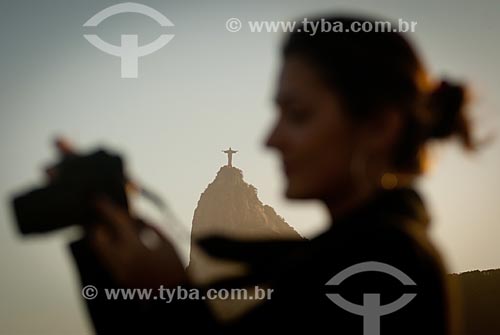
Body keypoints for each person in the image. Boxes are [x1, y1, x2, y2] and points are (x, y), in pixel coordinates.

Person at [68, 15, 475, 334]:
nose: (270, 139)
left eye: (298, 115)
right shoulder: (345, 254)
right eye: (277, 113)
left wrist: (168, 296)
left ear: (378, 127)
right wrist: (100, 237)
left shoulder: (385, 262)